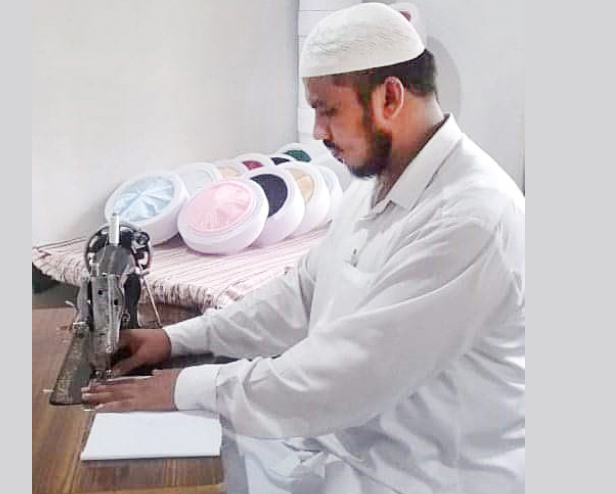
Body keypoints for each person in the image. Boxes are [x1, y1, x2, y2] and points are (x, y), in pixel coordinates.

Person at [82, 3, 525, 493]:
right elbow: (300, 295)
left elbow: (349, 376)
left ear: (390, 97)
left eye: (327, 109)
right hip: (347, 448)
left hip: (421, 477)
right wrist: (177, 339)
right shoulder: (373, 187)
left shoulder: (470, 218)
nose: (317, 131)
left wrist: (182, 387)